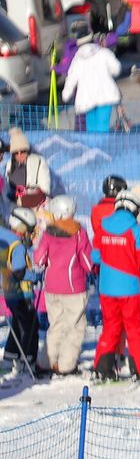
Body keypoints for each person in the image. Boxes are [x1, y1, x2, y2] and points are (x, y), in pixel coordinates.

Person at [91, 190, 140, 381]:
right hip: (131, 289)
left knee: (110, 328)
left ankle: (102, 369)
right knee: (134, 330)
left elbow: (95, 257)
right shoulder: (136, 230)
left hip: (107, 288)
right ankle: (139, 371)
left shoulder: (102, 228)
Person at [31, 195, 92, 377]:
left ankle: (44, 362)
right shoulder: (79, 232)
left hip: (52, 287)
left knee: (55, 325)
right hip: (74, 287)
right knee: (75, 326)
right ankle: (66, 365)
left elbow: (39, 259)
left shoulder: (48, 233)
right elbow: (88, 263)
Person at [0, 207, 41, 377]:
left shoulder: (3, 235)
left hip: (7, 289)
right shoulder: (18, 245)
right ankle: (28, 360)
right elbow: (19, 271)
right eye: (29, 230)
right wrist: (34, 275)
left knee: (17, 322)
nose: (30, 234)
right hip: (20, 292)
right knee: (30, 326)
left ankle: (10, 355)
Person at [62, 39, 122, 133]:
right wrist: (108, 73)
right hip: (105, 95)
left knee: (91, 127)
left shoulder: (77, 59)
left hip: (86, 98)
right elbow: (116, 69)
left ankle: (93, 145)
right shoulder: (104, 53)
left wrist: (66, 94)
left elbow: (71, 79)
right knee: (103, 124)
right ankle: (102, 144)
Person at [5, 128, 52, 209]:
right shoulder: (9, 164)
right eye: (16, 152)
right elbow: (8, 188)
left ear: (27, 150)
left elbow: (45, 189)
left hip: (35, 205)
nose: (19, 154)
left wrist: (27, 195)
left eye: (22, 151)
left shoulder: (38, 161)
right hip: (14, 206)